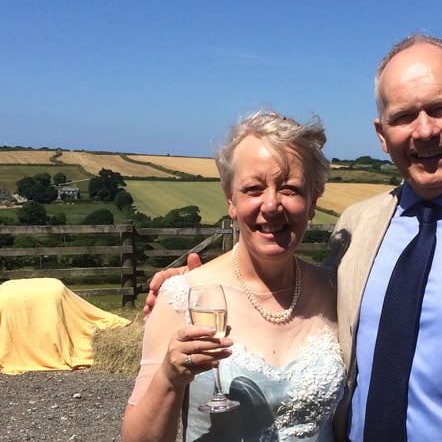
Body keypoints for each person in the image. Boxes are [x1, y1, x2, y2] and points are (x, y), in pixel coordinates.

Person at [146, 34, 442, 442]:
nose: (424, 130)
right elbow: (302, 296)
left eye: (441, 109)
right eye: (404, 116)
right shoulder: (356, 225)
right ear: (382, 134)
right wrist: (192, 286)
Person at [123, 110, 345, 442]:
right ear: (231, 201)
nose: (271, 205)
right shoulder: (183, 297)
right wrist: (170, 378)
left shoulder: (336, 291)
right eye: (254, 189)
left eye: (290, 189)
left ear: (312, 202)